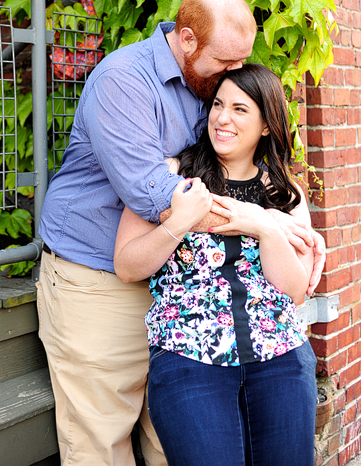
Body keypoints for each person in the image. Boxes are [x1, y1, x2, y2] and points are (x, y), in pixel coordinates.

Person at [35, 0, 325, 466]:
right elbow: (157, 195)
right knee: (100, 441)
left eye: (242, 63)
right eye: (225, 62)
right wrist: (269, 221)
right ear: (187, 40)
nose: (234, 76)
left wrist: (283, 221)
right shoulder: (124, 80)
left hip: (175, 292)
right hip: (98, 278)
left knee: (170, 446)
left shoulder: (206, 86)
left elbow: (237, 176)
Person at [114, 64, 317, 465]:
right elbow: (127, 264)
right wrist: (180, 222)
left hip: (280, 359)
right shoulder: (173, 176)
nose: (222, 118)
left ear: (265, 125)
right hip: (189, 360)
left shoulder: (284, 191)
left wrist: (265, 228)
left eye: (240, 109)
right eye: (219, 105)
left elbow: (293, 290)